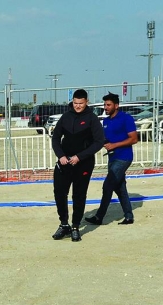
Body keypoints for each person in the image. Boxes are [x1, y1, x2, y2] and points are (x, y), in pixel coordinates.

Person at [49, 89, 105, 242]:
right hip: (64, 163)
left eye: (80, 103)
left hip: (83, 164)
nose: (78, 106)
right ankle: (64, 224)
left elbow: (99, 142)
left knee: (78, 195)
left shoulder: (92, 119)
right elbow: (55, 138)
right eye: (75, 103)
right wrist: (60, 155)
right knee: (59, 193)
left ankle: (75, 226)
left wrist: (79, 157)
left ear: (86, 102)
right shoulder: (65, 117)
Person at [84, 92, 138, 225]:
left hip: (124, 157)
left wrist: (115, 145)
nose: (105, 107)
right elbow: (104, 139)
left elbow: (134, 139)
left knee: (108, 185)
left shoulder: (126, 118)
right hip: (112, 158)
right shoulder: (106, 121)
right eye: (105, 105)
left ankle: (99, 217)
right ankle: (129, 216)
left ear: (117, 105)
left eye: (108, 105)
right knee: (120, 187)